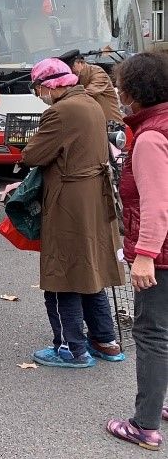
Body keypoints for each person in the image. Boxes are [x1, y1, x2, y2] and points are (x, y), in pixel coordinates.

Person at [19, 58, 125, 369]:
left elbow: (33, 154)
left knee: (62, 274)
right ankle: (106, 341)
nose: (39, 94)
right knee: (90, 271)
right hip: (94, 195)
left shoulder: (60, 111)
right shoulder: (89, 102)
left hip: (70, 199)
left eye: (38, 88)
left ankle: (70, 348)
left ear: (49, 85)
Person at [105, 52, 168, 451]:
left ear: (134, 91)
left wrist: (144, 254)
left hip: (160, 252)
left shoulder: (149, 138)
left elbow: (156, 203)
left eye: (121, 85)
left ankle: (144, 425)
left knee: (152, 334)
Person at [58, 50, 125, 130]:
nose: (70, 71)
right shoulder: (73, 78)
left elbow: (88, 93)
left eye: (71, 67)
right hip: (93, 127)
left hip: (111, 127)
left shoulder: (98, 72)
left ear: (80, 63)